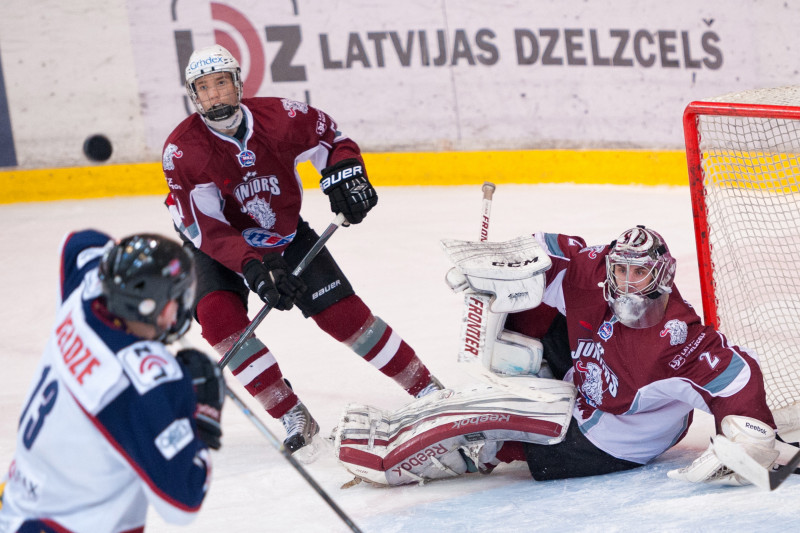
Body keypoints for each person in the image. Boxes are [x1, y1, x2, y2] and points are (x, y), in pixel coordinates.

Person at [334, 226, 788, 487]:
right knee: (523, 305)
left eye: (640, 273)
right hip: (591, 370)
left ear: (662, 274)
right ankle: (518, 394)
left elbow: (737, 375)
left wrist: (750, 433)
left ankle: (433, 455)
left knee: (510, 417)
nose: (628, 283)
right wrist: (500, 266)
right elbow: (547, 251)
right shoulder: (592, 273)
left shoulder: (673, 338)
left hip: (615, 437)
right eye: (621, 270)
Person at [161, 44, 442, 455]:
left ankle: (427, 388)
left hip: (283, 234)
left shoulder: (283, 117)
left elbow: (332, 139)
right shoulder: (183, 151)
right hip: (214, 246)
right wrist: (255, 268)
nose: (215, 96)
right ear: (193, 96)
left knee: (344, 317)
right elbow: (207, 227)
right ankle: (292, 413)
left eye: (222, 83)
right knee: (220, 321)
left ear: (238, 84)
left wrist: (345, 174)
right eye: (204, 89)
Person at [0, 230, 224, 533]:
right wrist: (201, 415)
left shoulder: (86, 292)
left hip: (16, 503)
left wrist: (128, 266)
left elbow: (78, 243)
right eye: (176, 298)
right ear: (153, 306)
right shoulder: (142, 384)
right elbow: (183, 503)